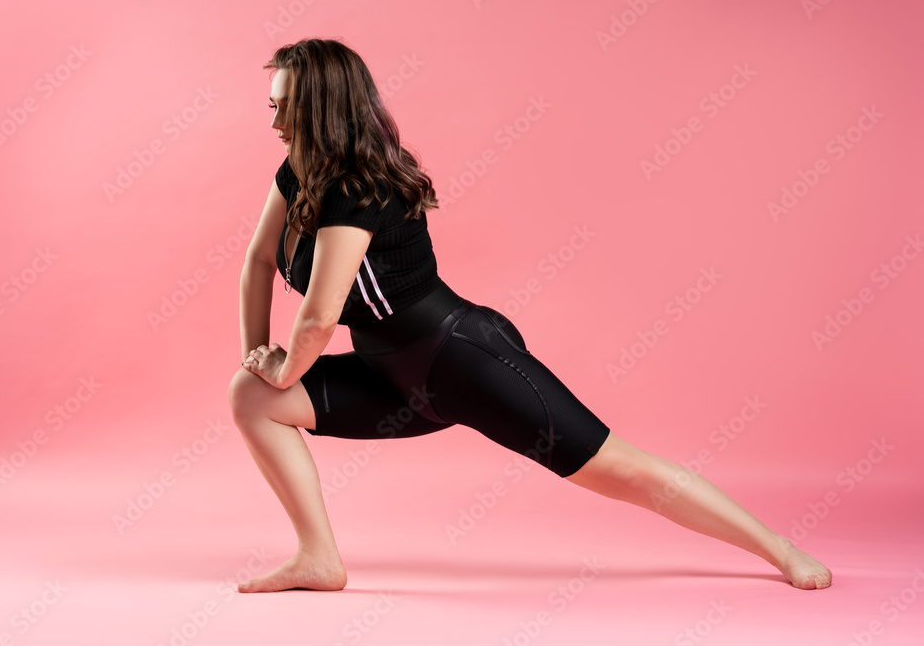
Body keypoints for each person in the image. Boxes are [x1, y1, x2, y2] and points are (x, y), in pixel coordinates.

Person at [228, 37, 832, 593]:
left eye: (287, 108)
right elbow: (258, 262)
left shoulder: (356, 187)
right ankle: (318, 558)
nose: (275, 122)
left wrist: (286, 369)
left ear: (326, 108)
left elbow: (317, 318)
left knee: (622, 470)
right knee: (250, 396)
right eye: (272, 105)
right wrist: (258, 357)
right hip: (389, 380)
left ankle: (778, 550)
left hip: (463, 360)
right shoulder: (297, 172)